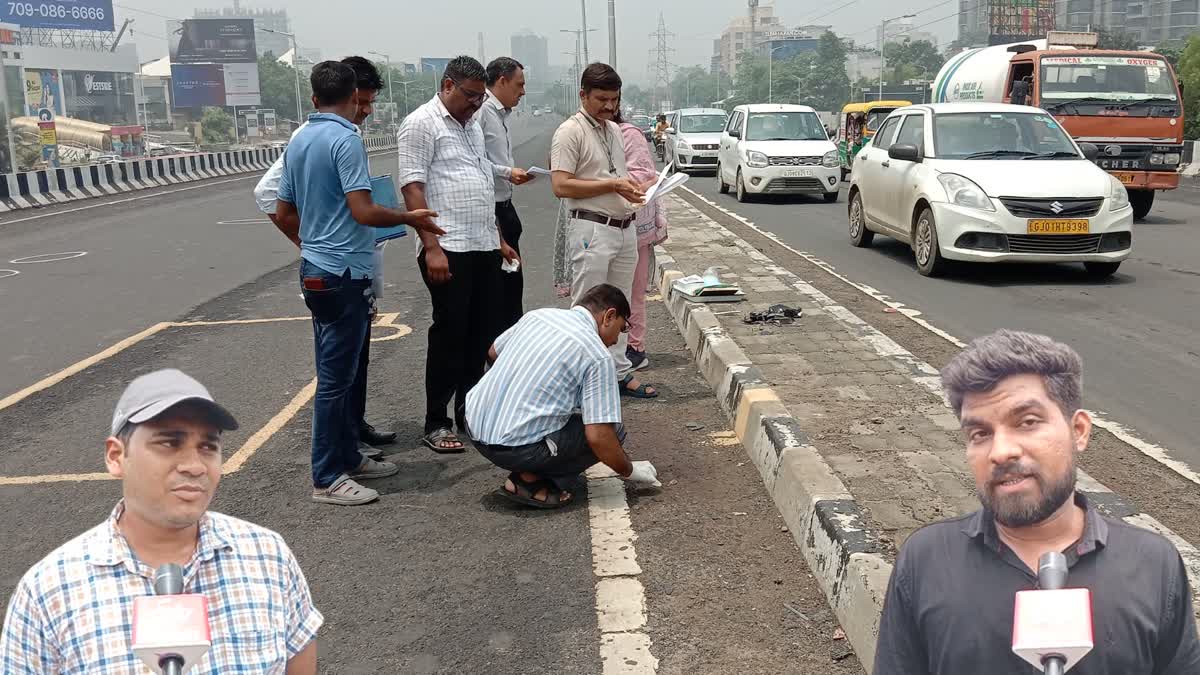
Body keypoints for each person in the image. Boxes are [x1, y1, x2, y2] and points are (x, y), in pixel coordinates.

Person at [873, 330, 1200, 674]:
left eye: (1027, 422)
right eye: (980, 434)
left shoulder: (1153, 565)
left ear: (1079, 431)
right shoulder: (925, 561)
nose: (1001, 452)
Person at [0, 369, 323, 672]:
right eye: (170, 443)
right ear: (116, 457)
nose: (194, 465)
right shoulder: (49, 591)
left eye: (208, 446)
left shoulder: (267, 557)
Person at [277, 61, 444, 506]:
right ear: (353, 97)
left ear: (314, 99)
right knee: (336, 381)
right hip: (344, 273)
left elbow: (283, 208)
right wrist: (411, 217)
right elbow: (364, 211)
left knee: (342, 375)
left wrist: (313, 242)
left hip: (317, 268)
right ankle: (327, 475)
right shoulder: (345, 139)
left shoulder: (298, 140)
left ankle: (348, 456)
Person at [254, 55, 397, 462]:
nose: (365, 112)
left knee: (353, 357)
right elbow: (270, 196)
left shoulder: (314, 135)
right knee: (337, 374)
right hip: (338, 266)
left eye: (371, 104)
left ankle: (352, 436)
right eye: (363, 102)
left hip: (347, 261)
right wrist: (316, 244)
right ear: (350, 95)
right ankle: (333, 464)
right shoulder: (329, 138)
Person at [397, 55, 530, 455]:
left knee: (481, 330)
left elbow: (478, 174)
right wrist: (432, 247)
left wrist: (497, 237)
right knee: (450, 332)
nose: (476, 103)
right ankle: (436, 421)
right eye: (470, 95)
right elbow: (412, 188)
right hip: (448, 246)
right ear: (448, 85)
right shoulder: (421, 123)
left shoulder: (471, 124)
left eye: (480, 96)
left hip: (482, 243)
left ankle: (468, 410)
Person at [464, 284, 660, 508]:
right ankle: (529, 481)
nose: (617, 340)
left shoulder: (537, 316)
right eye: (621, 328)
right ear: (609, 316)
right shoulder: (596, 354)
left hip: (473, 425)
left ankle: (527, 463)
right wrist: (629, 470)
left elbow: (493, 353)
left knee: (574, 412)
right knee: (613, 431)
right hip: (515, 449)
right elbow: (599, 436)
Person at [550, 62, 657, 399]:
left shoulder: (612, 129)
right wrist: (612, 185)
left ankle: (619, 373)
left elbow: (616, 176)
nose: (609, 106)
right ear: (583, 94)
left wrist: (631, 191)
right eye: (601, 99)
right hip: (591, 228)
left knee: (618, 308)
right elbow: (561, 185)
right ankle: (582, 382)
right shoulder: (570, 132)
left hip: (624, 227)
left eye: (614, 99)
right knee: (588, 310)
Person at [613, 104, 667, 372]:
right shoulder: (584, 132)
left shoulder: (628, 135)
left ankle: (634, 347)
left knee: (633, 291)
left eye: (611, 100)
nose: (605, 106)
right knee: (601, 293)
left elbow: (644, 176)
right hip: (599, 225)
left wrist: (609, 183)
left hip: (634, 226)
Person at [479, 56, 530, 332]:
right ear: (501, 81)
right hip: (491, 211)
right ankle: (500, 357)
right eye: (519, 84)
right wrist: (506, 172)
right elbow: (472, 160)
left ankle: (512, 351)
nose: (522, 92)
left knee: (512, 288)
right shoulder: (482, 111)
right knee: (501, 292)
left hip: (505, 208)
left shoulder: (500, 114)